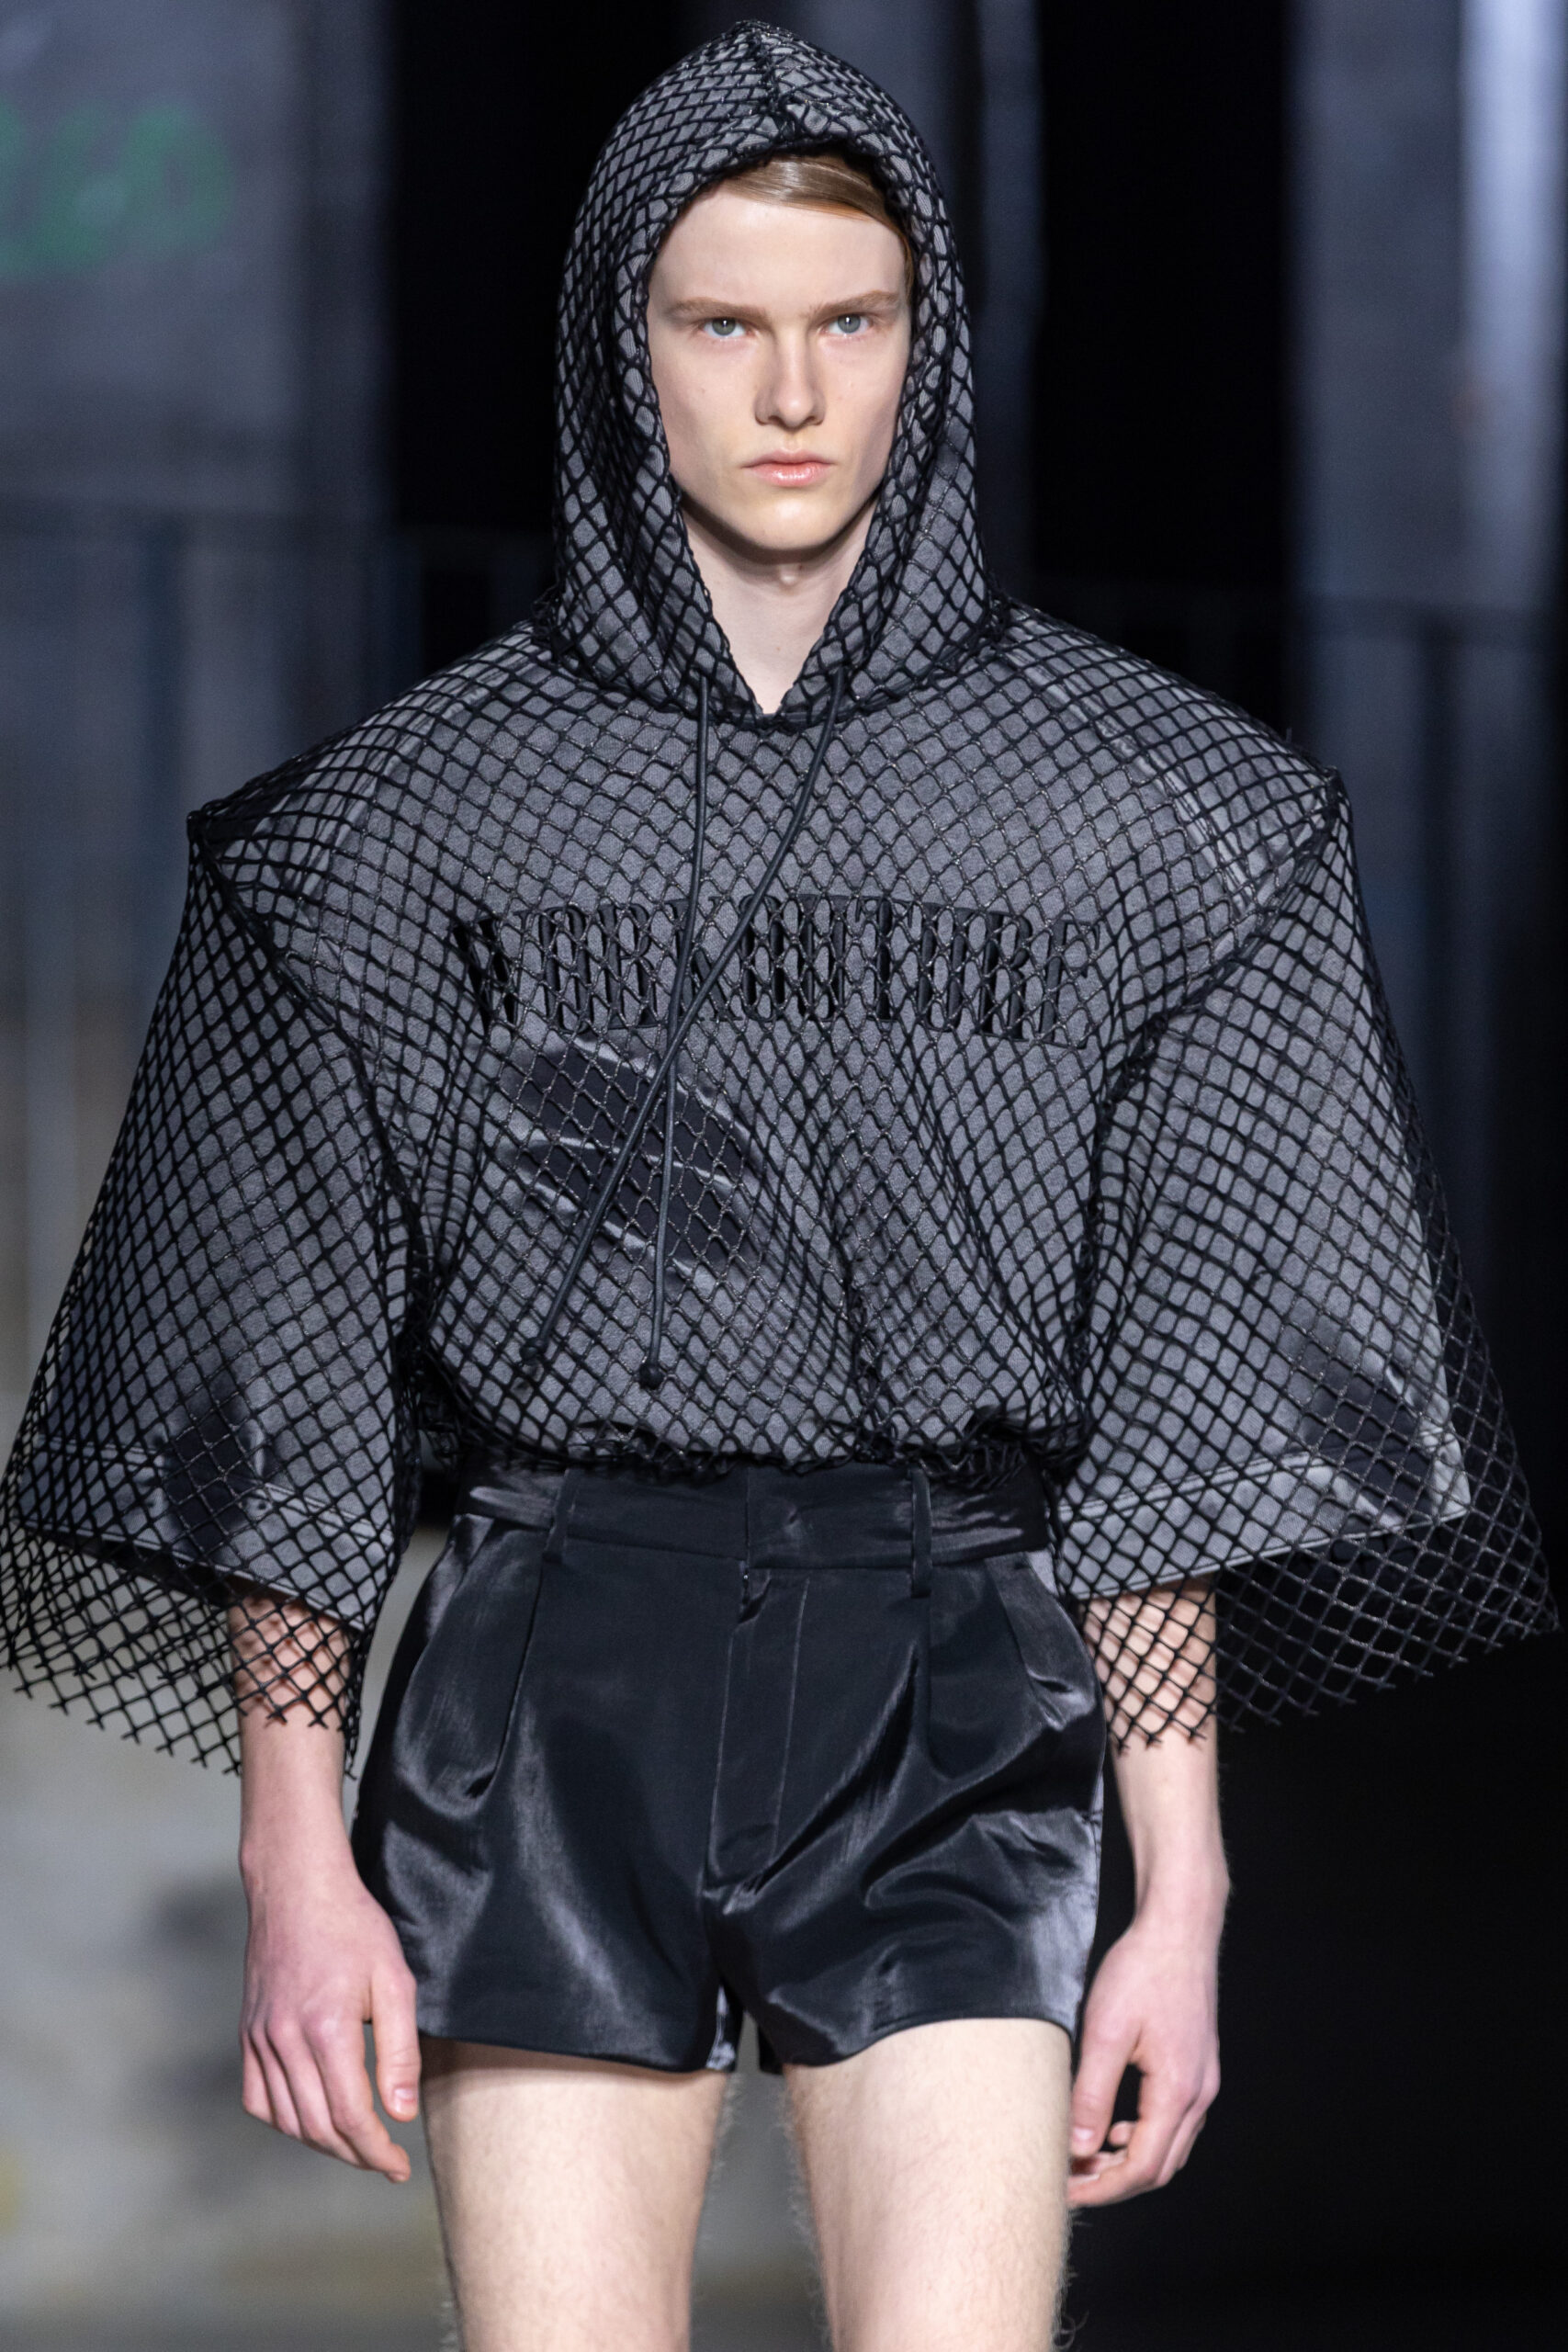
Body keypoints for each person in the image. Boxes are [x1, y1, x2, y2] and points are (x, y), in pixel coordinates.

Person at [0, 25, 1552, 2352]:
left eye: (854, 318)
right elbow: (274, 1385)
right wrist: (292, 1853)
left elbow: (1177, 1406)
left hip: (958, 1678)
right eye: (721, 320)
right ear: (617, 345)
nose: (795, 390)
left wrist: (1183, 1887)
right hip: (540, 1675)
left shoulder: (1154, 824)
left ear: (930, 338)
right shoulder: (390, 835)